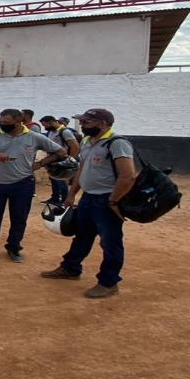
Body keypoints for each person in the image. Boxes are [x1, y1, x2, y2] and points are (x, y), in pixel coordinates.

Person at [41, 108, 137, 299]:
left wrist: (113, 201)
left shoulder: (117, 143)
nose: (82, 125)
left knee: (110, 242)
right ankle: (70, 268)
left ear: (102, 123)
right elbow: (81, 170)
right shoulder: (86, 141)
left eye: (86, 122)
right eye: (82, 122)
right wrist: (72, 194)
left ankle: (108, 282)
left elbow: (128, 176)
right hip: (88, 198)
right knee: (82, 236)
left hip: (107, 200)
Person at [0, 108, 66, 263]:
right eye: (1, 122)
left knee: (19, 218)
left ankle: (14, 247)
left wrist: (40, 163)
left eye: (7, 123)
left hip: (23, 183)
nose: (2, 125)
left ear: (19, 122)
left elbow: (60, 151)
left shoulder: (34, 137)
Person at [40, 115, 81, 205]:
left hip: (62, 159)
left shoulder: (65, 132)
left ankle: (64, 199)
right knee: (54, 179)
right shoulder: (51, 132)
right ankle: (54, 198)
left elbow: (75, 146)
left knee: (61, 180)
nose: (45, 128)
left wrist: (70, 160)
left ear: (51, 123)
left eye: (45, 125)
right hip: (52, 159)